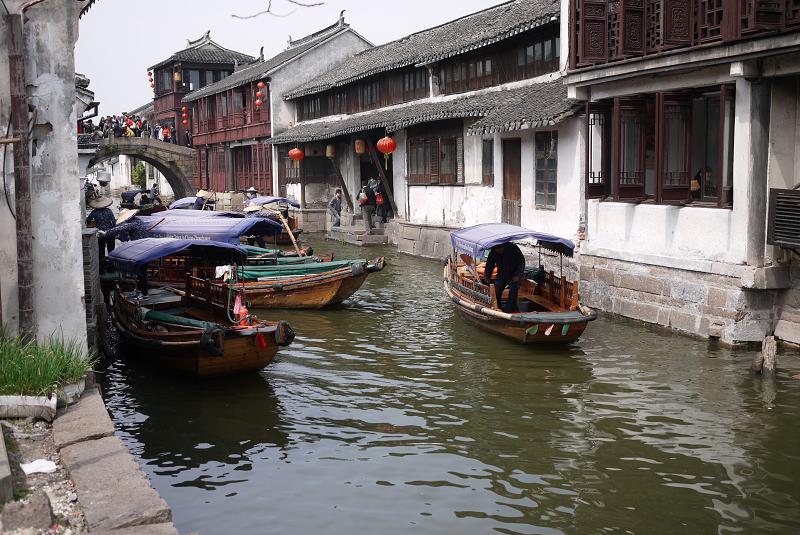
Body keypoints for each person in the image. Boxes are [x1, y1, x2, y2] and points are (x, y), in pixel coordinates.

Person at [483, 242, 525, 313]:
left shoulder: (514, 248)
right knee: (497, 288)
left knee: (513, 290)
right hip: (502, 273)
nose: (498, 251)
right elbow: (490, 264)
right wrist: (487, 276)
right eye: (496, 249)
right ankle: (497, 307)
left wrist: (517, 275)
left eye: (500, 249)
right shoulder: (493, 251)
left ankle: (510, 309)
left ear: (504, 246)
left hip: (514, 273)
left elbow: (521, 262)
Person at [85, 196, 116, 272]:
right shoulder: (109, 211)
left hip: (100, 234)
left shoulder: (94, 212)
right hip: (110, 233)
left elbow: (88, 220)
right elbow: (114, 222)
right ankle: (111, 269)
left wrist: (93, 223)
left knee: (101, 252)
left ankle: (101, 269)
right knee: (111, 251)